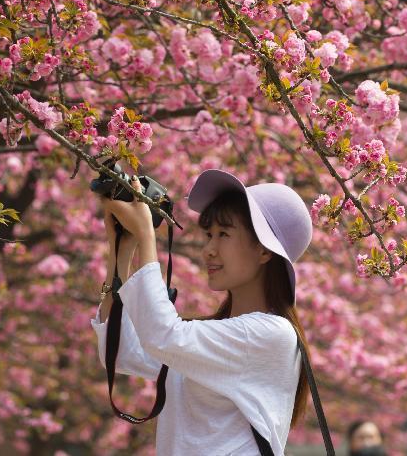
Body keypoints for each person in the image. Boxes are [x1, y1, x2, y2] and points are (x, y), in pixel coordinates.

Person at [91, 169, 316, 455]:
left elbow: (163, 335)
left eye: (223, 234)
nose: (208, 249)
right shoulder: (219, 336)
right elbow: (122, 352)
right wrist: (122, 248)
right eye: (209, 234)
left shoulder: (272, 335)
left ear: (264, 251)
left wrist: (147, 235)